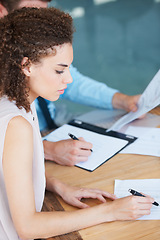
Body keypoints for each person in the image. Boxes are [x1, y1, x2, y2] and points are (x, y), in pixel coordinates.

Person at [0, 7, 154, 240]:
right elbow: (27, 226)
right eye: (59, 70)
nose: (69, 78)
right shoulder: (16, 124)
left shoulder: (16, 97)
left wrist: (57, 185)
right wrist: (110, 210)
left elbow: (11, 174)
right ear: (26, 66)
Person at [0, 0, 141, 167]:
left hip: (50, 124)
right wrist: (46, 149)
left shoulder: (42, 51)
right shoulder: (13, 116)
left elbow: (71, 82)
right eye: (30, 13)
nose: (39, 21)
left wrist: (122, 100)